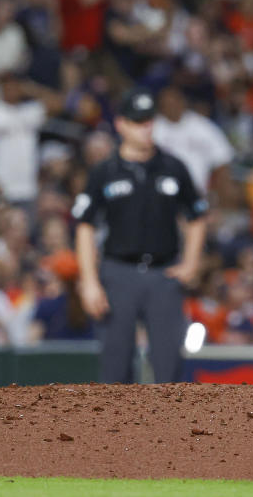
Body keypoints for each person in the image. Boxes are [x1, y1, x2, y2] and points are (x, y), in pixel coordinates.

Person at [73, 87, 208, 383]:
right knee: (115, 367)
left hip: (163, 273)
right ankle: (115, 430)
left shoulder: (173, 167)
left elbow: (197, 216)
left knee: (169, 367)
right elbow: (85, 225)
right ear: (121, 125)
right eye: (138, 121)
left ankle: (169, 430)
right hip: (118, 273)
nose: (146, 128)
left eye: (149, 120)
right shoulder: (104, 172)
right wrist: (89, 281)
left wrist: (191, 263)